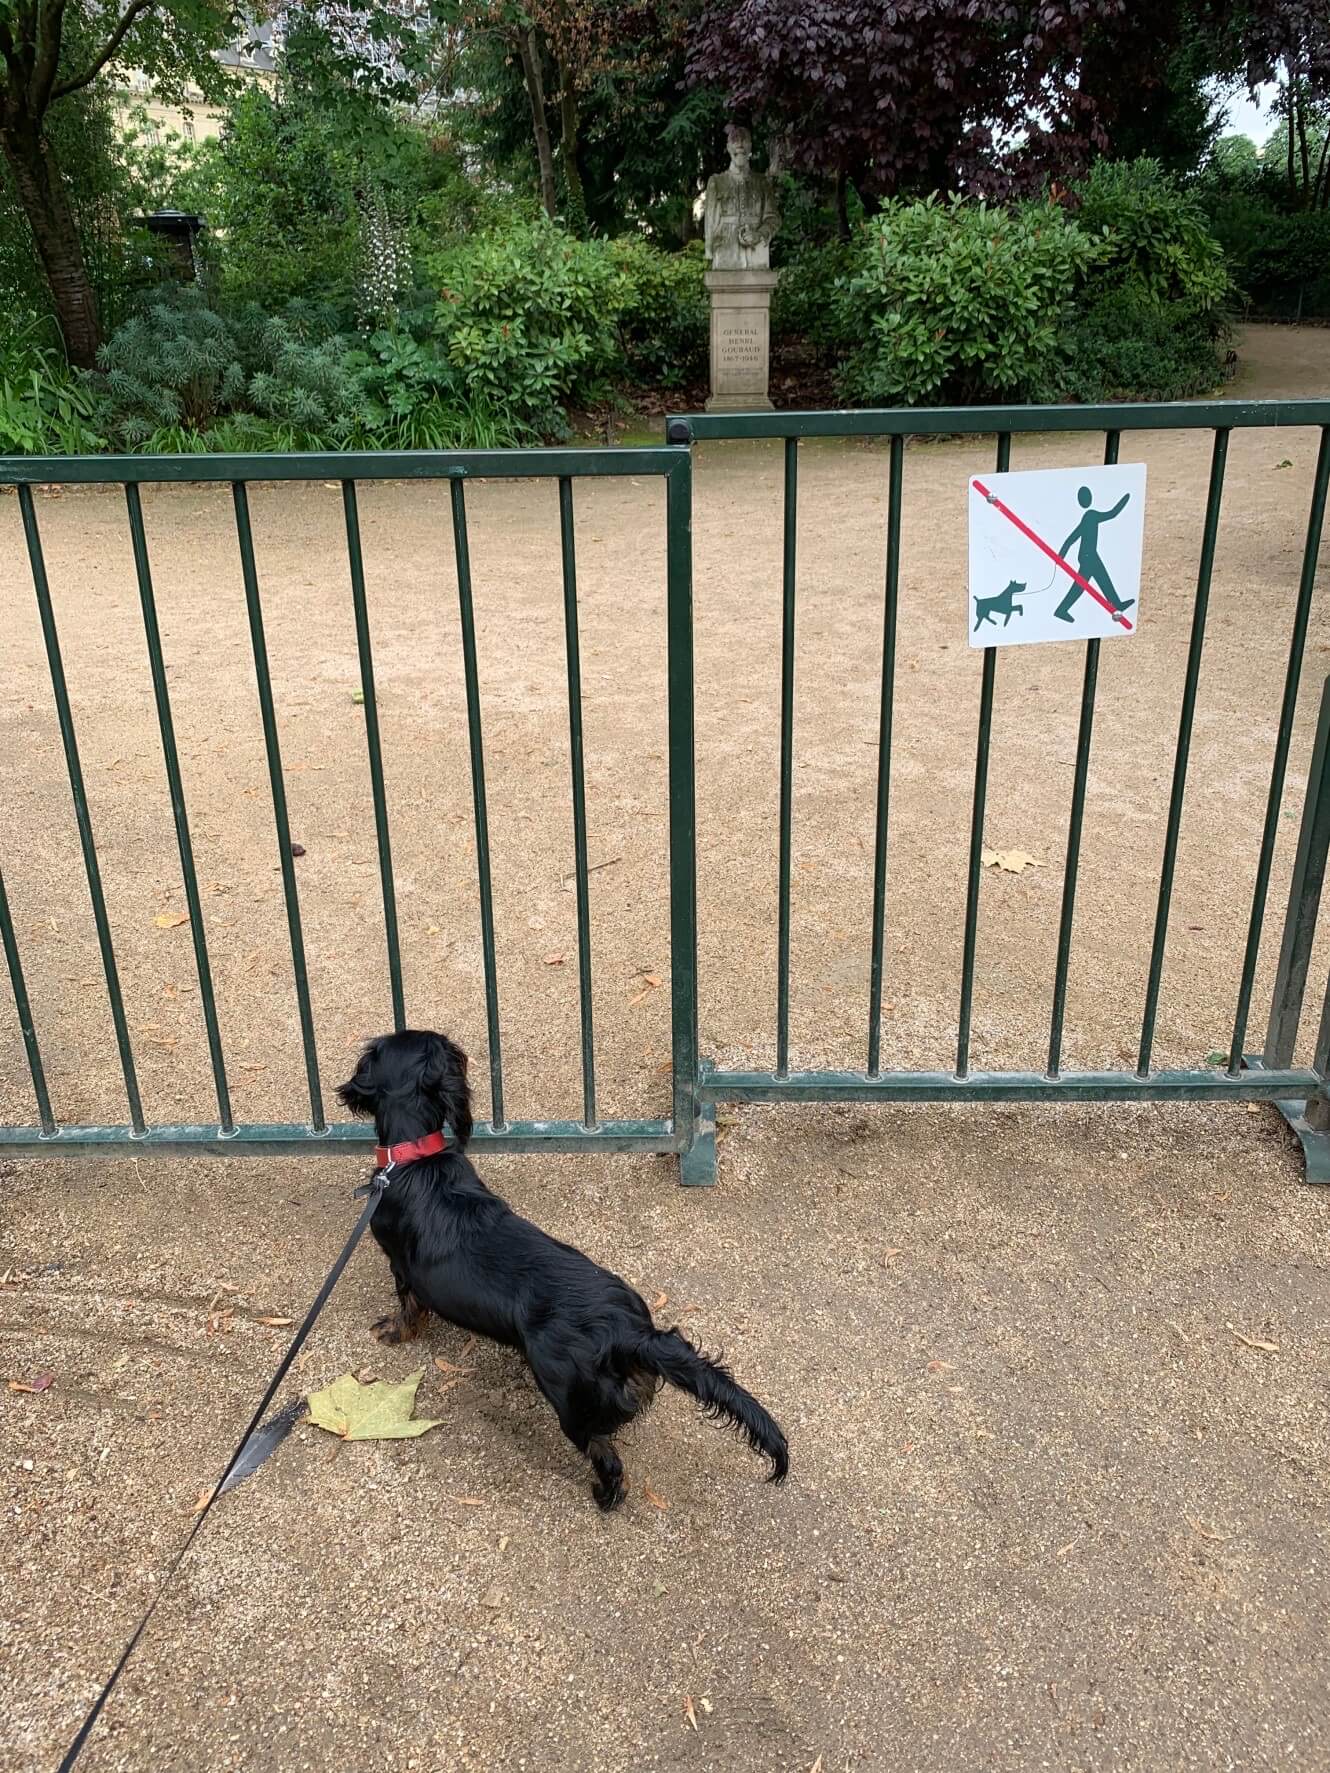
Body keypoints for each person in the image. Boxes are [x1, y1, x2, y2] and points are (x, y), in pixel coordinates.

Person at [1054, 485, 1134, 622]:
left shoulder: (1087, 517)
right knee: (1083, 585)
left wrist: (1060, 557)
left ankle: (1116, 604)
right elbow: (1112, 514)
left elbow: (1071, 539)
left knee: (1094, 582)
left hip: (1088, 555)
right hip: (1088, 556)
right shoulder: (1091, 515)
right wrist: (1126, 499)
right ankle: (1062, 610)